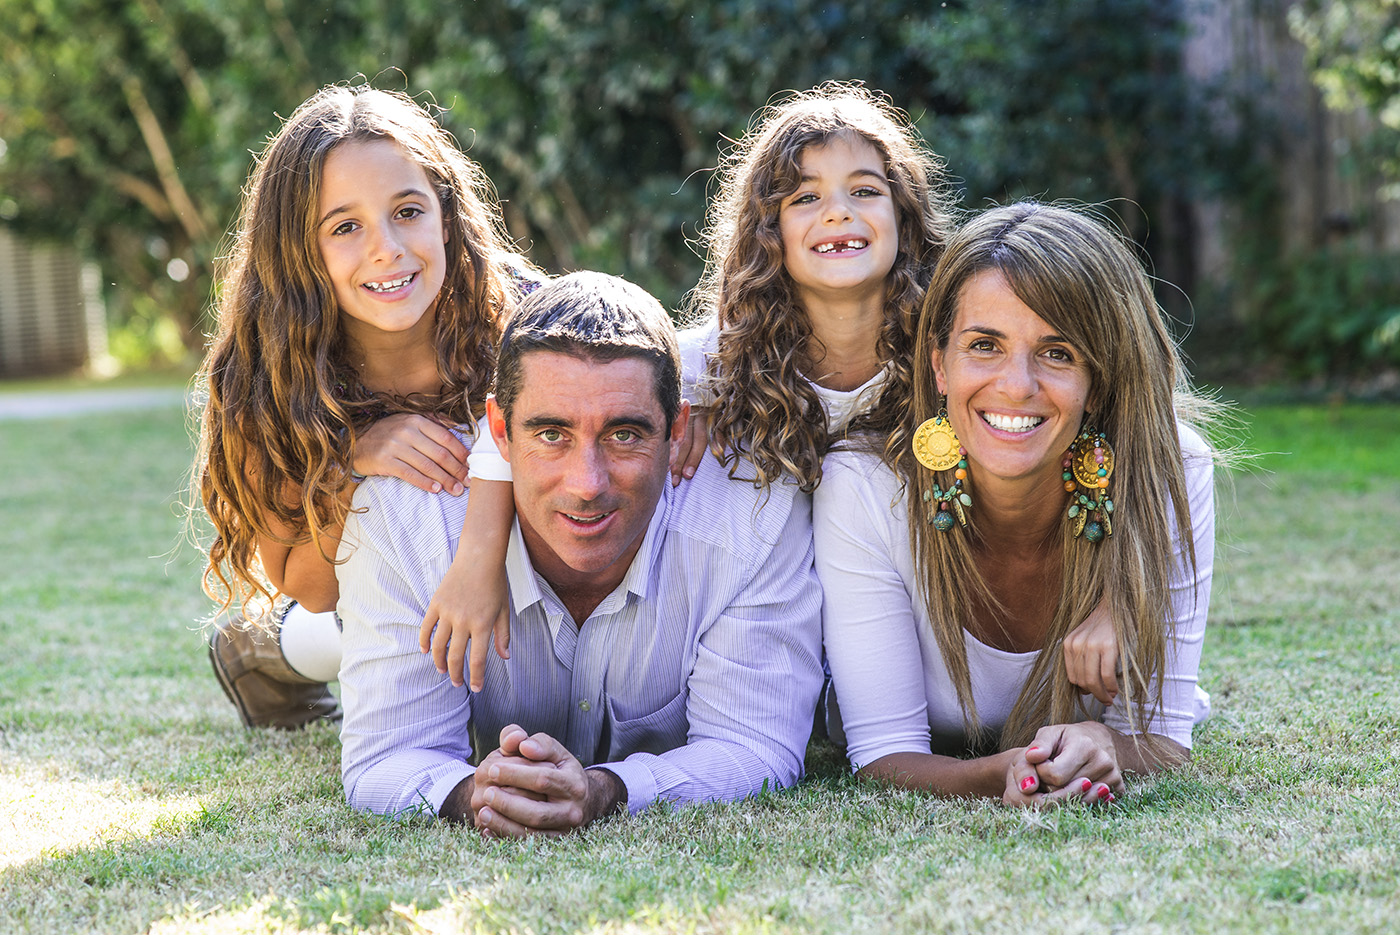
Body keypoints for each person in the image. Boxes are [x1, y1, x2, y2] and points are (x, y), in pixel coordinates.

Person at [337, 272, 824, 833]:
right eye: (551, 435)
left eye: (624, 435)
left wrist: (604, 791)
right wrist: (475, 794)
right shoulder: (406, 517)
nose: (587, 484)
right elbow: (384, 757)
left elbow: (756, 746)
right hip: (343, 609)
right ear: (499, 430)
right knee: (308, 638)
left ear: (677, 429)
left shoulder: (753, 513)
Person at [815, 202, 1217, 805]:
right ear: (939, 365)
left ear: (1099, 381)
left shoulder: (1169, 471)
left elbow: (1161, 738)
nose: (1016, 385)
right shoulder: (865, 487)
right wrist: (1012, 771)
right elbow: (883, 753)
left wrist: (1099, 740)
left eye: (1058, 353)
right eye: (984, 345)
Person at [195, 84, 536, 729]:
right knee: (356, 593)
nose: (387, 248)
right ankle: (257, 650)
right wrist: (351, 463)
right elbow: (309, 585)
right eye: (345, 227)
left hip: (525, 577)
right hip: (355, 608)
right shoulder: (269, 376)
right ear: (299, 250)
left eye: (408, 211)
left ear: (446, 217)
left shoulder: (520, 320)